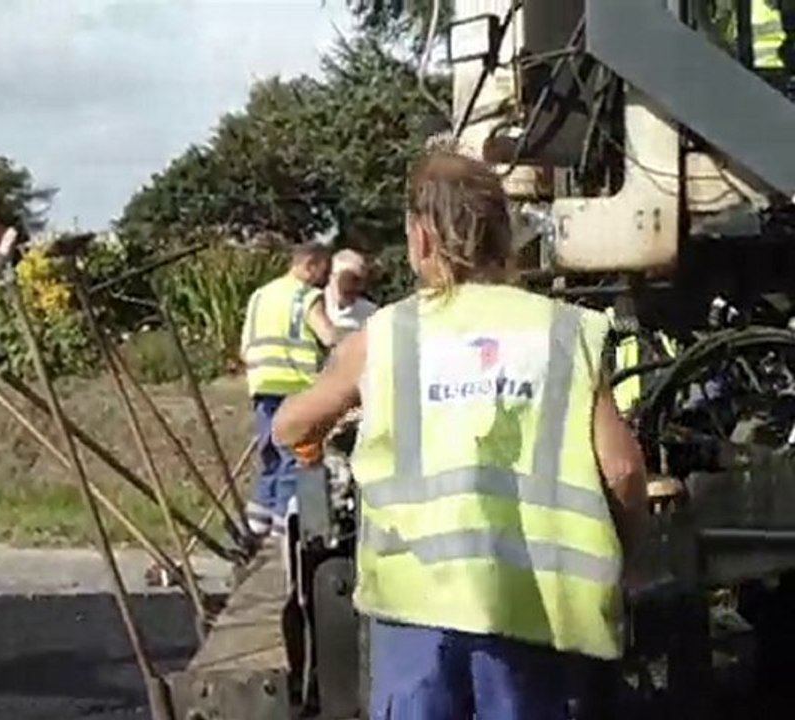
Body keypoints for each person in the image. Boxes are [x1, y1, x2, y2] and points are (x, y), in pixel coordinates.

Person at [272, 150, 649, 719]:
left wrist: (343, 412)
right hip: (539, 617)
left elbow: (290, 426)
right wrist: (634, 559)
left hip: (417, 612)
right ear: (506, 238)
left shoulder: (387, 335)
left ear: (422, 240)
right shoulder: (566, 332)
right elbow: (622, 471)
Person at [240, 241, 336, 539]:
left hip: (262, 384)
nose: (326, 279)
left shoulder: (260, 295)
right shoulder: (306, 296)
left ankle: (256, 524)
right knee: (297, 459)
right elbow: (328, 335)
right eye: (324, 271)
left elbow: (244, 346)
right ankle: (284, 529)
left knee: (271, 456)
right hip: (295, 387)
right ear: (310, 265)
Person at [325, 249, 378, 338]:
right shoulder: (314, 305)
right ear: (333, 277)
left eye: (363, 280)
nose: (360, 287)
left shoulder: (371, 312)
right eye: (353, 279)